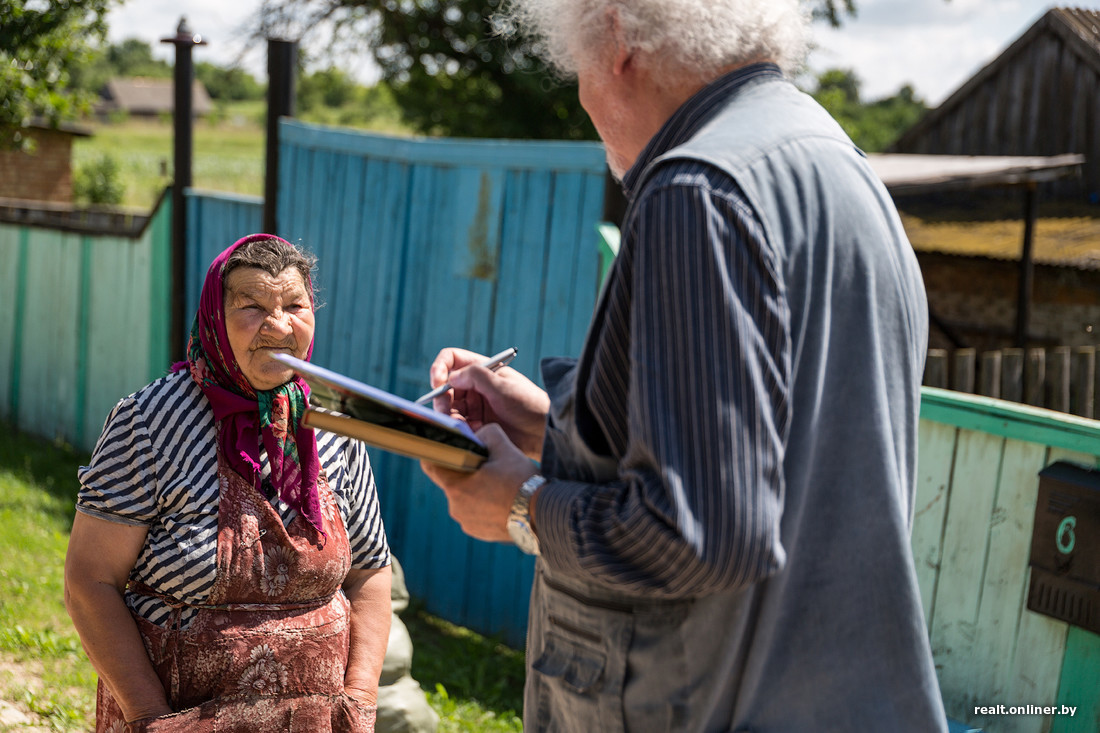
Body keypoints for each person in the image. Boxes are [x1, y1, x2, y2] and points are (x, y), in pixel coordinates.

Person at [419, 1, 947, 731]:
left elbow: (698, 534)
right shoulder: (832, 159)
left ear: (616, 37)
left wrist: (520, 504)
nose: (582, 99)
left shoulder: (694, 189)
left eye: (574, 65)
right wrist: (551, 427)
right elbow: (781, 460)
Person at [65, 234, 392, 733]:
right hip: (180, 714)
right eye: (253, 306)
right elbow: (90, 582)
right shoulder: (149, 422)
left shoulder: (332, 424)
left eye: (295, 305)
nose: (279, 326)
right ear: (216, 318)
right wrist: (151, 717)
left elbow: (370, 571)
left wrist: (359, 701)